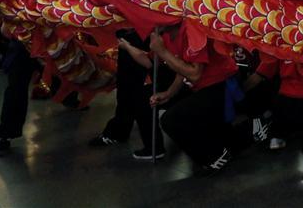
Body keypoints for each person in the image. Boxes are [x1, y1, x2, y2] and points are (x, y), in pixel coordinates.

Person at [149, 27, 239, 175]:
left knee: (171, 120)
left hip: (226, 84)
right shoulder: (166, 35)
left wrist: (163, 52)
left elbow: (195, 73)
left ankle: (214, 157)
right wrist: (169, 93)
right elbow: (184, 66)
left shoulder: (192, 30)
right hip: (206, 87)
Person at [89, 30, 172, 160]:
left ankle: (128, 133)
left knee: (136, 89)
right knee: (131, 87)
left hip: (142, 29)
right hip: (134, 29)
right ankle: (120, 129)